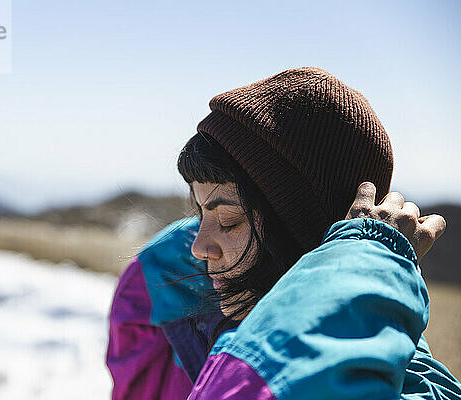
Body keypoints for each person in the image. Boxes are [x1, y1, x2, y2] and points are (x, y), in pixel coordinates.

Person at [106, 67, 461, 399]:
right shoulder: (160, 301)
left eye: (228, 220)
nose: (198, 246)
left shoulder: (413, 381)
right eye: (200, 214)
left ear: (304, 232)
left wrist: (367, 261)